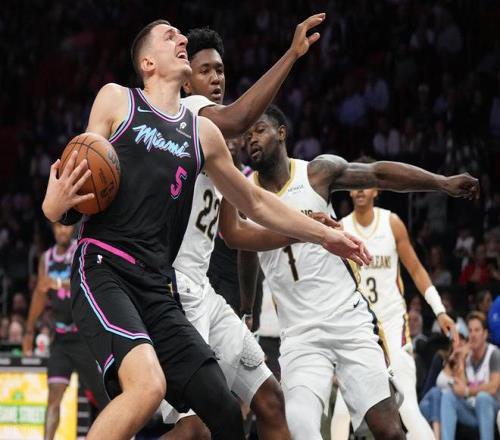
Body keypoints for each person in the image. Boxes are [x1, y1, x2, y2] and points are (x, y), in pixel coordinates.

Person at [41, 20, 367, 440]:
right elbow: (75, 185)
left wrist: (325, 235)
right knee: (148, 386)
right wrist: (55, 206)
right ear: (147, 62)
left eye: (181, 36)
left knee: (225, 413)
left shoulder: (203, 133)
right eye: (169, 36)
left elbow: (254, 203)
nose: (181, 39)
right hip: (104, 267)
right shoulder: (118, 100)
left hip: (158, 286)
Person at [218, 105, 479, 440]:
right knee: (300, 428)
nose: (252, 139)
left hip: (348, 320)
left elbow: (379, 174)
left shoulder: (317, 173)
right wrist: (247, 308)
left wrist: (441, 182)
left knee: (389, 431)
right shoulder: (244, 193)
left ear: (281, 133)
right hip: (299, 335)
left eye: (260, 130)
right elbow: (246, 249)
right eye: (248, 134)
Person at [161, 19, 329, 439]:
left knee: (272, 402)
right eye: (205, 70)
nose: (216, 78)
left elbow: (235, 233)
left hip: (203, 291)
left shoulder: (223, 153)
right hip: (172, 291)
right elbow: (238, 118)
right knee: (195, 430)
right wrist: (292, 55)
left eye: (220, 70)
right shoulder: (187, 113)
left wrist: (302, 230)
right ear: (186, 81)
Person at [332, 157, 459, 440]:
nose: (360, 189)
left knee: (408, 410)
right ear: (349, 190)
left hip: (392, 325)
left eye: (365, 183)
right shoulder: (339, 228)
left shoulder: (392, 223)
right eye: (355, 184)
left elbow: (416, 269)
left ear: (376, 189)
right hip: (358, 328)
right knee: (342, 410)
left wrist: (439, 310)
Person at [22, 223, 108, 440]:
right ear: (52, 229)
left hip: (85, 338)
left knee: (104, 399)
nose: (62, 231)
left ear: (72, 229)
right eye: (58, 227)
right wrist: (29, 331)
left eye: (65, 227)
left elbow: (85, 281)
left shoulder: (79, 250)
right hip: (61, 339)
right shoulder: (46, 258)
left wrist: (56, 282)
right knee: (54, 397)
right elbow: (40, 294)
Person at [440, 311, 500, 440]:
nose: (473, 334)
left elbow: (493, 387)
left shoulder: (494, 353)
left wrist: (468, 391)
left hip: (492, 410)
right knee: (448, 396)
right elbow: (460, 388)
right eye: (470, 330)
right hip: (472, 410)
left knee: (483, 398)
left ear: (485, 334)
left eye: (477, 330)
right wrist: (461, 359)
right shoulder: (468, 356)